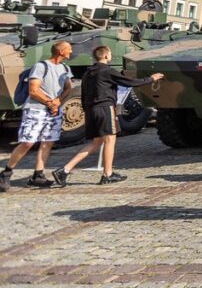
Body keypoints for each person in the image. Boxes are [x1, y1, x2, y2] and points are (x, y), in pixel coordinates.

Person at [51, 46, 164, 187]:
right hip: (105, 108)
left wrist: (87, 111)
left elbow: (84, 94)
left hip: (90, 109)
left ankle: (64, 170)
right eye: (110, 53)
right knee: (110, 140)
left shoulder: (88, 73)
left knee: (96, 141)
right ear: (106, 56)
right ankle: (107, 174)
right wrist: (151, 78)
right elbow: (131, 82)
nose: (110, 56)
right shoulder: (107, 71)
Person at [0, 41, 73, 191]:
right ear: (61, 51)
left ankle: (38, 176)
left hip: (53, 111)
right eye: (69, 49)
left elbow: (68, 88)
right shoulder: (41, 66)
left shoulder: (65, 68)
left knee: (48, 142)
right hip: (35, 109)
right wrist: (50, 103)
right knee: (27, 142)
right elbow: (33, 90)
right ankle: (6, 173)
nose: (71, 52)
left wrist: (58, 101)